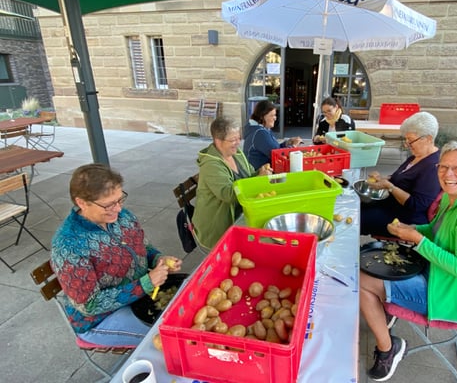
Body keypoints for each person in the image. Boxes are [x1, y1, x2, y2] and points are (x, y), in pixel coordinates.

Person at [360, 140, 457, 381]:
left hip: (456, 296)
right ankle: (388, 305)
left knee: (361, 281)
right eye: (443, 167)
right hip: (437, 275)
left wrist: (417, 240)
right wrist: (415, 229)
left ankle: (388, 349)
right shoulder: (453, 196)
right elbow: (436, 230)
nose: (448, 175)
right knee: (375, 261)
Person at [51, 164, 182, 346]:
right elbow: (89, 305)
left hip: (140, 297)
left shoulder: (122, 216)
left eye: (120, 200)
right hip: (99, 320)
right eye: (109, 204)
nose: (118, 209)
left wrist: (158, 259)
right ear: (81, 202)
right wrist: (146, 283)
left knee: (188, 307)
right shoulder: (69, 245)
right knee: (175, 336)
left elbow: (142, 247)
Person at [193, 116, 273, 249]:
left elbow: (249, 175)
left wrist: (259, 172)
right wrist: (258, 179)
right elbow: (228, 195)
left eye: (238, 138)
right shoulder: (211, 165)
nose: (238, 143)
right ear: (218, 141)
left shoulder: (236, 153)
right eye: (233, 140)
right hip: (217, 228)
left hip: (241, 214)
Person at [360, 112, 441, 237]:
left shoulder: (432, 167)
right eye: (406, 139)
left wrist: (390, 187)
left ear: (428, 139)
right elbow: (399, 178)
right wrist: (381, 179)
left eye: (411, 140)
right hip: (390, 206)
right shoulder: (417, 156)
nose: (407, 144)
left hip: (405, 219)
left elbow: (417, 205)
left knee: (357, 220)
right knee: (355, 207)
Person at [243, 100, 303, 170]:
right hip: (260, 175)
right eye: (272, 115)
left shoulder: (261, 129)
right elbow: (278, 156)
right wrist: (294, 146)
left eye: (275, 115)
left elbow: (274, 148)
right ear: (262, 117)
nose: (275, 118)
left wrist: (287, 143)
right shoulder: (260, 133)